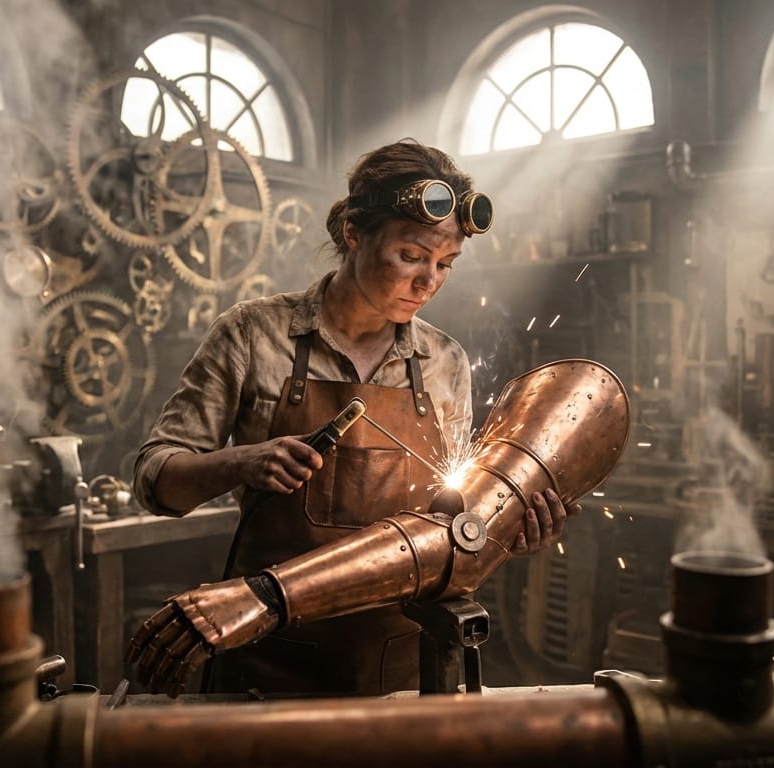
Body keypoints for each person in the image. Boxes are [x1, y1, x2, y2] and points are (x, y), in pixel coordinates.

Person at [130, 139, 572, 697]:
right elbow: (154, 480)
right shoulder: (252, 336)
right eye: (410, 257)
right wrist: (240, 462)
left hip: (396, 665)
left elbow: (448, 523)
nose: (428, 281)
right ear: (354, 235)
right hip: (267, 659)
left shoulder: (445, 363)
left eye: (445, 264)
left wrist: (504, 530)